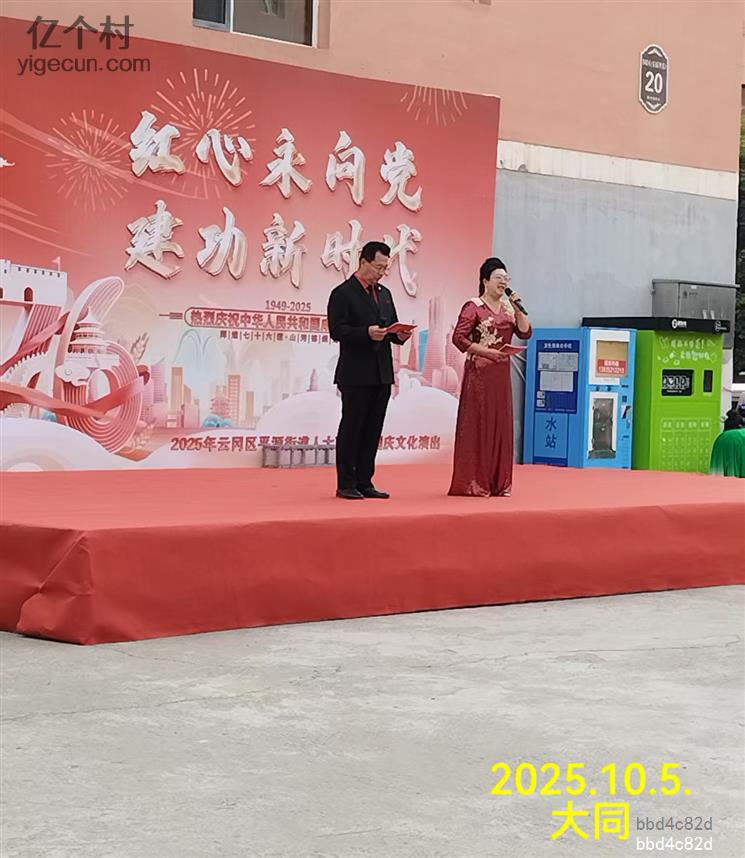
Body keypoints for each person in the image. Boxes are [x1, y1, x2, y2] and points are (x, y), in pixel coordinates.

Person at [327, 241, 412, 499]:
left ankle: (365, 481)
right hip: (355, 372)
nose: (381, 273)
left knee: (373, 428)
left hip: (381, 372)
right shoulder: (343, 293)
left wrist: (400, 335)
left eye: (385, 268)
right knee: (352, 427)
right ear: (363, 262)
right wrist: (366, 333)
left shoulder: (384, 293)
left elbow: (390, 326)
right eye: (378, 267)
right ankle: (346, 482)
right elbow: (337, 331)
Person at [448, 257, 532, 497]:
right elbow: (459, 338)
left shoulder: (508, 308)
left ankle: (499, 482)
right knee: (479, 423)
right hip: (480, 373)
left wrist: (518, 308)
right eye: (498, 278)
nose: (503, 282)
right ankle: (475, 482)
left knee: (500, 424)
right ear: (485, 280)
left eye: (506, 279)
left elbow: (525, 332)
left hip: (501, 374)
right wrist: (486, 352)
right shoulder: (473, 306)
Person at [710, 393, 745, 477]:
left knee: (718, 476)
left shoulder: (722, 436)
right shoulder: (741, 435)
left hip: (720, 441)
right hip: (737, 442)